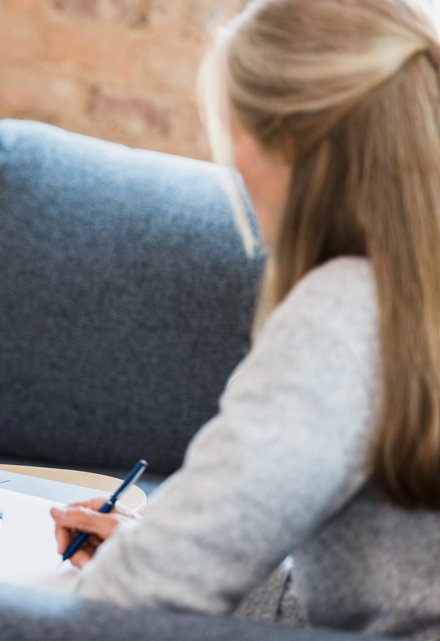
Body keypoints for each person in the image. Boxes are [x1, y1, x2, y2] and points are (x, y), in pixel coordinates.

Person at [50, 0, 440, 637]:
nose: (232, 168)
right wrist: (153, 547)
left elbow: (128, 599)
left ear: (290, 143)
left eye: (235, 133)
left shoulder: (344, 314)